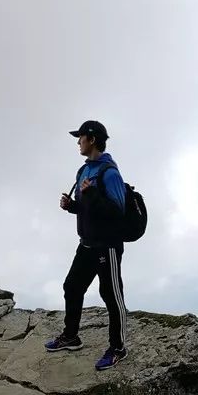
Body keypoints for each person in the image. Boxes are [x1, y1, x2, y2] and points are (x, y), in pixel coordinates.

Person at [45, 120, 128, 370]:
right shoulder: (83, 171)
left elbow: (117, 212)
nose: (78, 143)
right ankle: (71, 336)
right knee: (72, 287)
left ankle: (118, 348)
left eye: (80, 138)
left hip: (107, 247)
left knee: (111, 296)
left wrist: (91, 195)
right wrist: (73, 206)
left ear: (91, 139)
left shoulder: (109, 173)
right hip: (87, 244)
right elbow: (88, 209)